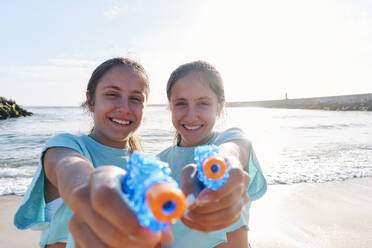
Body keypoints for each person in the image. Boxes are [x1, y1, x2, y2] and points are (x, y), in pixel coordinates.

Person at [14, 57, 172, 248]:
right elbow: (71, 169)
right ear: (90, 100)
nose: (124, 108)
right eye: (112, 94)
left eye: (135, 99)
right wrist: (92, 195)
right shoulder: (65, 146)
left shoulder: (147, 167)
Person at [157, 61, 267, 248]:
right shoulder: (159, 163)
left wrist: (220, 165)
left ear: (220, 105)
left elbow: (232, 152)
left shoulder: (232, 138)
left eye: (203, 103)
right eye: (181, 104)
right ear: (171, 107)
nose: (191, 116)